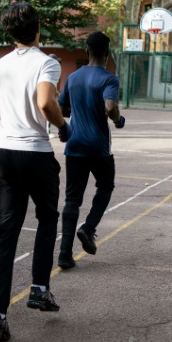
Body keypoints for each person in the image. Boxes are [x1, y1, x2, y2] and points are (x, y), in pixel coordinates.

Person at [0, 1, 71, 342]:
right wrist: (62, 126)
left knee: (6, 235)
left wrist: (15, 102)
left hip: (3, 153)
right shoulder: (47, 62)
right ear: (37, 29)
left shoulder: (0, 65)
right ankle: (39, 287)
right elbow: (46, 103)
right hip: (35, 153)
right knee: (48, 218)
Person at [56, 32, 124, 269]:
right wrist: (117, 118)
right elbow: (110, 106)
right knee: (106, 186)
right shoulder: (109, 79)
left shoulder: (73, 77)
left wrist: (73, 116)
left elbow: (60, 108)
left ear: (87, 52)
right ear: (107, 55)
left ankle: (64, 254)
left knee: (71, 200)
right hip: (98, 147)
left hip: (74, 145)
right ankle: (88, 228)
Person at [47, 54, 62, 139]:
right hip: (47, 96)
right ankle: (47, 132)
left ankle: (47, 131)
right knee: (48, 114)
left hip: (50, 94)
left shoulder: (51, 69)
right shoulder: (49, 70)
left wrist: (56, 92)